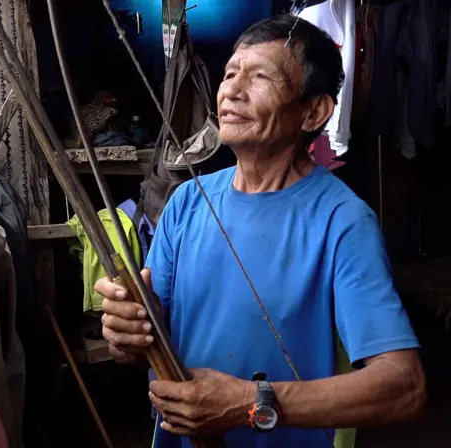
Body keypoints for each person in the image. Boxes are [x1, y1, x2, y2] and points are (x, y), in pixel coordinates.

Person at [95, 14, 426, 448]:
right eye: (230, 72)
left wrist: (251, 402)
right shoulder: (187, 202)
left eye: (260, 76)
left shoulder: (343, 221)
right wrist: (127, 333)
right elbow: (143, 345)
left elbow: (404, 386)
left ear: (314, 111)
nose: (231, 89)